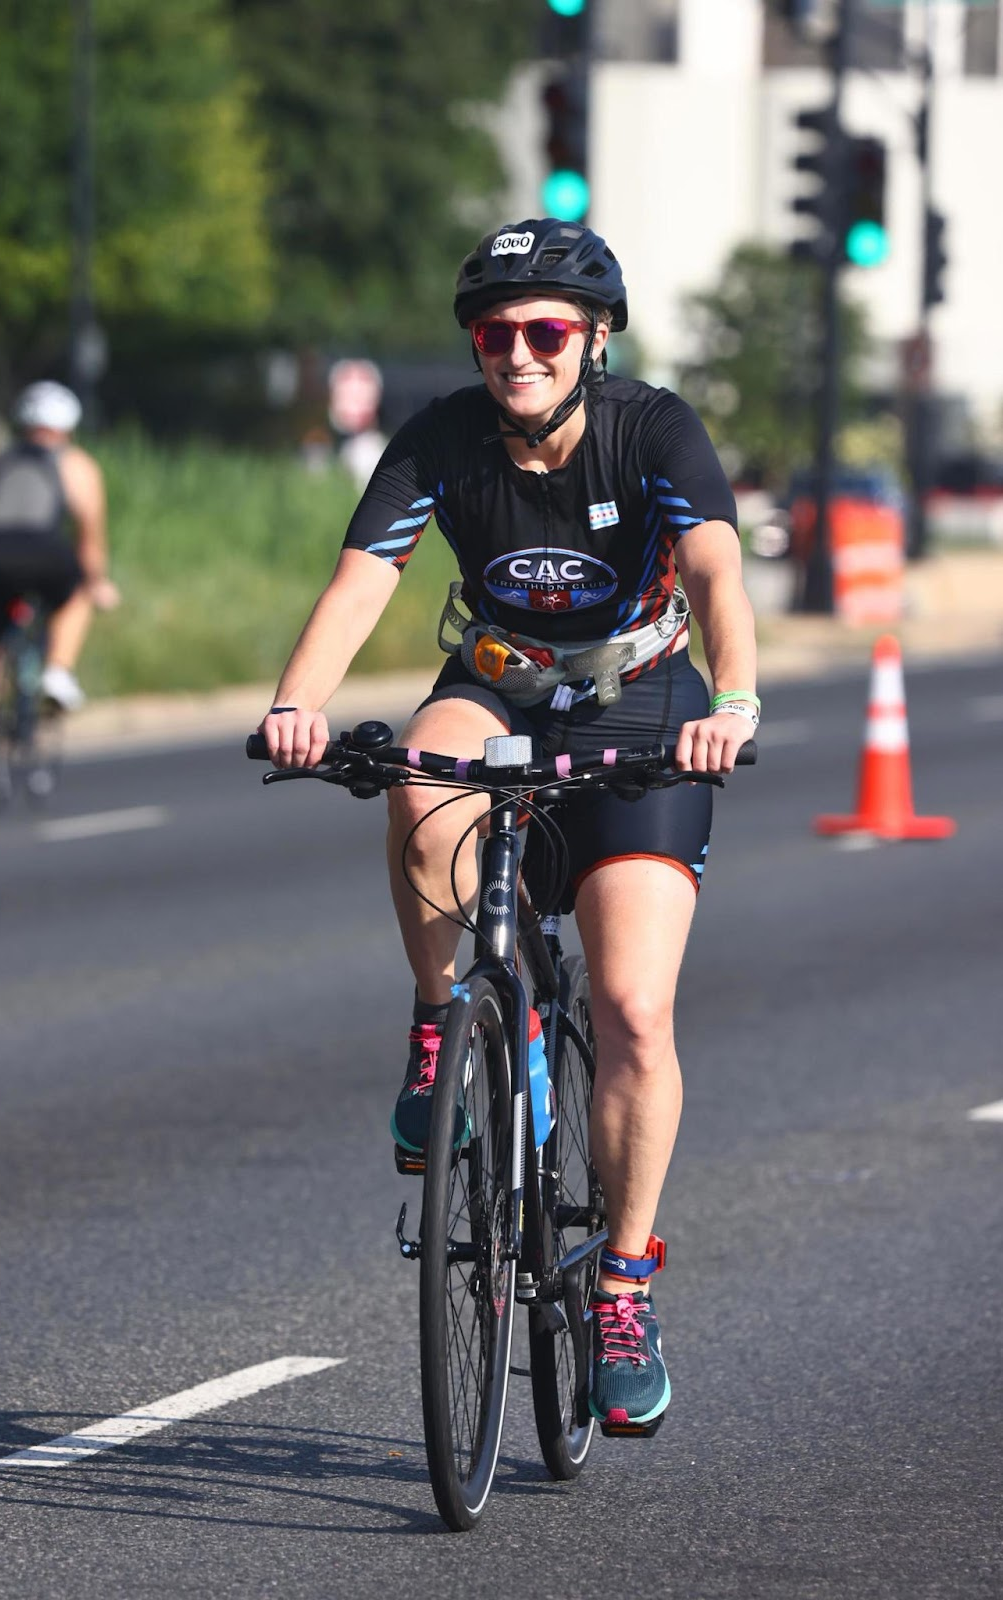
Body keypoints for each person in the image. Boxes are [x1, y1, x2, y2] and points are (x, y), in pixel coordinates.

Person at [260, 218, 759, 1433]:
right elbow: (360, 582)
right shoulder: (438, 438)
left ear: (591, 341)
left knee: (637, 1007)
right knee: (416, 778)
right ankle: (445, 1032)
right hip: (497, 681)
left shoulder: (653, 428)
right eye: (496, 333)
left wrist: (732, 700)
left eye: (544, 332)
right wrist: (297, 704)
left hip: (641, 700)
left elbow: (715, 571)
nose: (517, 354)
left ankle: (624, 1288)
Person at [0, 381, 120, 779]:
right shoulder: (77, 464)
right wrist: (96, 581)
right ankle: (57, 672)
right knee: (77, 594)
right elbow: (90, 538)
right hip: (45, 556)